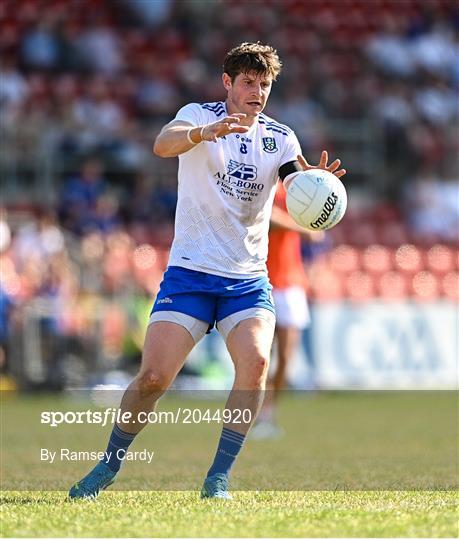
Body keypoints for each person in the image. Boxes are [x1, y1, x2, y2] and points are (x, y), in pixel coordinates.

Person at [69, 42, 345, 500]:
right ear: (228, 83)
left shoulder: (280, 137)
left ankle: (218, 477)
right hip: (191, 274)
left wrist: (316, 185)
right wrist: (205, 134)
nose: (257, 93)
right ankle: (108, 464)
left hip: (247, 280)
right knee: (154, 379)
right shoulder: (197, 114)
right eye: (249, 83)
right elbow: (163, 145)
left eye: (265, 85)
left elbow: (296, 179)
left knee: (256, 365)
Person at [252, 182, 324, 439]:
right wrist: (304, 229)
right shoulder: (261, 184)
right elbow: (266, 216)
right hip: (262, 279)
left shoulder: (295, 189)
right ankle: (257, 413)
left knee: (285, 359)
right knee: (261, 358)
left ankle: (269, 413)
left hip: (292, 283)